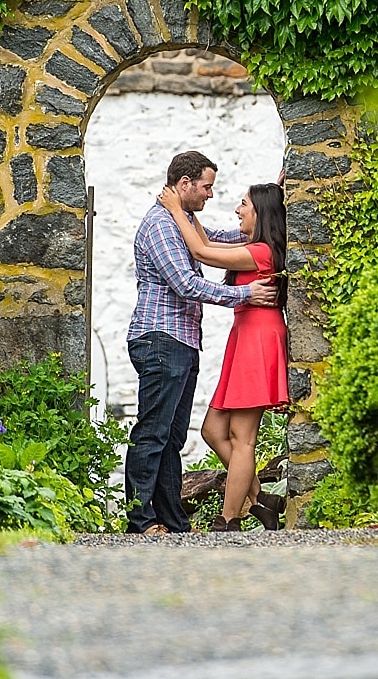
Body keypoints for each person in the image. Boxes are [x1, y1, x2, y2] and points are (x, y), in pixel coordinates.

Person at [125, 151, 278, 535]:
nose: (211, 194)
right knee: (153, 432)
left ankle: (173, 521)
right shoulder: (162, 225)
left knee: (172, 437)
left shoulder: (186, 220)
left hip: (181, 341)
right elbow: (187, 283)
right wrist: (246, 296)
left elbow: (217, 242)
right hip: (160, 337)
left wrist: (275, 198)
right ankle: (142, 521)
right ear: (185, 184)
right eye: (207, 186)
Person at [157, 181, 289, 532]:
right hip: (244, 336)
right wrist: (187, 211)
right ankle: (261, 500)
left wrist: (173, 210)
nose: (237, 210)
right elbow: (208, 241)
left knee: (243, 439)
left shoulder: (261, 252)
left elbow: (201, 252)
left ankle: (229, 521)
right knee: (214, 430)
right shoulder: (252, 245)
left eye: (243, 204)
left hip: (258, 338)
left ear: (260, 213)